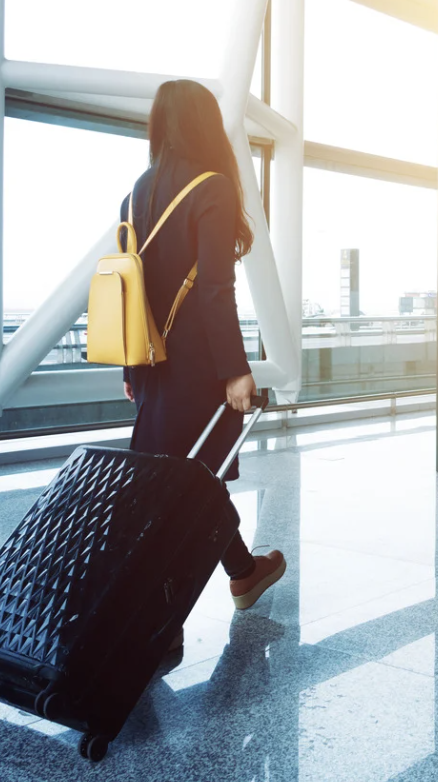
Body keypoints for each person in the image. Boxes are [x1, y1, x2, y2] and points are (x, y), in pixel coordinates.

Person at [121, 79, 286, 612]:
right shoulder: (211, 187)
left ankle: (242, 573)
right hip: (197, 368)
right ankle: (165, 620)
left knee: (184, 481)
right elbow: (215, 289)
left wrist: (132, 368)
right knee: (193, 484)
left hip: (150, 364)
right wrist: (236, 370)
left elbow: (131, 291)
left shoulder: (134, 194)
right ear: (204, 124)